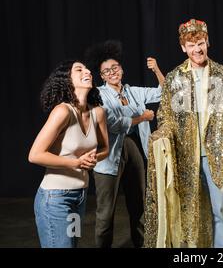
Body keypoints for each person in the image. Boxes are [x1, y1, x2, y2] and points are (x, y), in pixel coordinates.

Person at [143, 19, 223, 248]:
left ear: (207, 42)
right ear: (183, 48)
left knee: (220, 210)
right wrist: (161, 134)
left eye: (200, 43)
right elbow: (165, 116)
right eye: (191, 46)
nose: (197, 49)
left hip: (218, 156)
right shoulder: (174, 78)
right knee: (188, 213)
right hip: (184, 157)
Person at [85, 40, 165, 248]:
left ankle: (142, 244)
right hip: (108, 158)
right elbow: (113, 124)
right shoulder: (100, 94)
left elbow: (164, 92)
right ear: (101, 76)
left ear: (121, 69)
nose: (112, 73)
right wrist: (143, 118)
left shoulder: (133, 92)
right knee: (105, 214)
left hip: (135, 151)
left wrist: (156, 70)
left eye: (115, 68)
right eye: (106, 71)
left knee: (139, 207)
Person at [28, 60, 109, 248]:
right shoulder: (62, 111)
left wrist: (93, 159)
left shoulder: (98, 112)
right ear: (67, 81)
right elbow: (35, 154)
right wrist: (75, 163)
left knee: (72, 245)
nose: (87, 70)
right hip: (55, 198)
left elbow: (105, 149)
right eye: (79, 69)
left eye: (87, 68)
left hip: (80, 196)